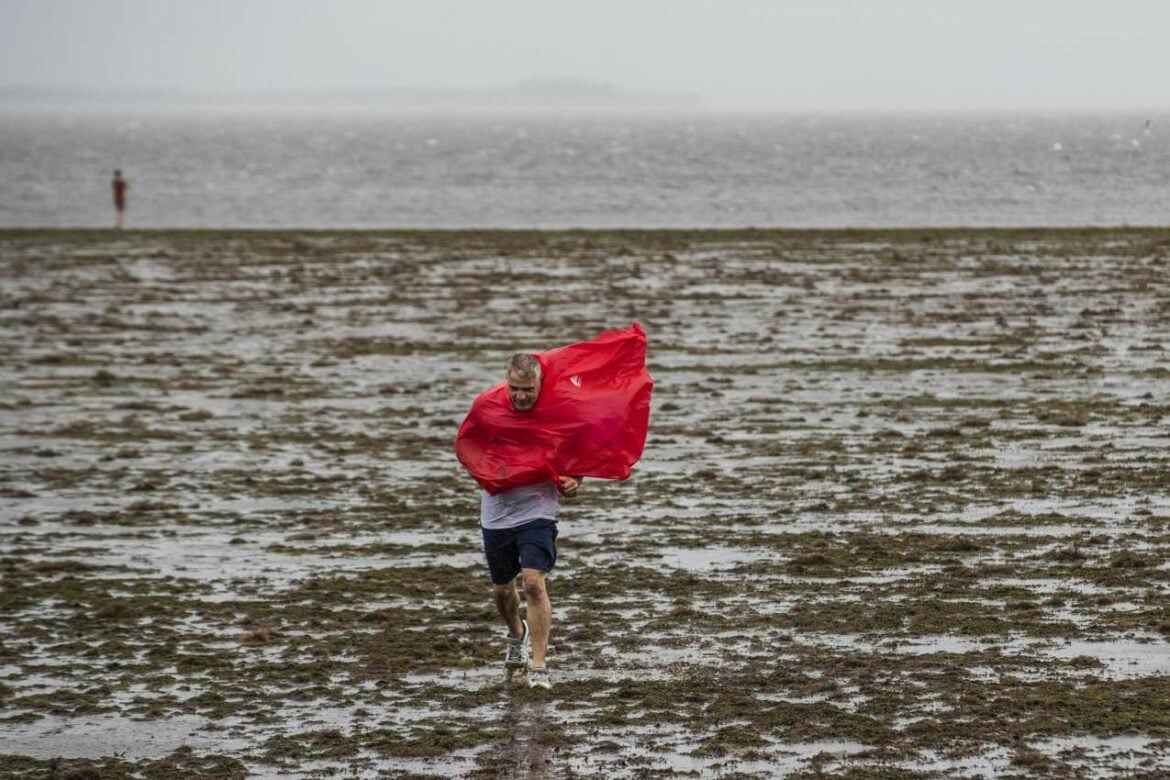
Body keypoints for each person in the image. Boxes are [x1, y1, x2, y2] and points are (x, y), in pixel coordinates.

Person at [480, 353, 580, 690]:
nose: (520, 396)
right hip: (497, 513)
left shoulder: (557, 415)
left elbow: (574, 455)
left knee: (534, 582)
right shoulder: (488, 411)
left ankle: (538, 666)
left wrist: (574, 481)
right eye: (514, 389)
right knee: (502, 590)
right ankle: (515, 633)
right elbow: (471, 449)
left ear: (541, 384)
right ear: (505, 382)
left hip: (538, 510)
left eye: (528, 389)